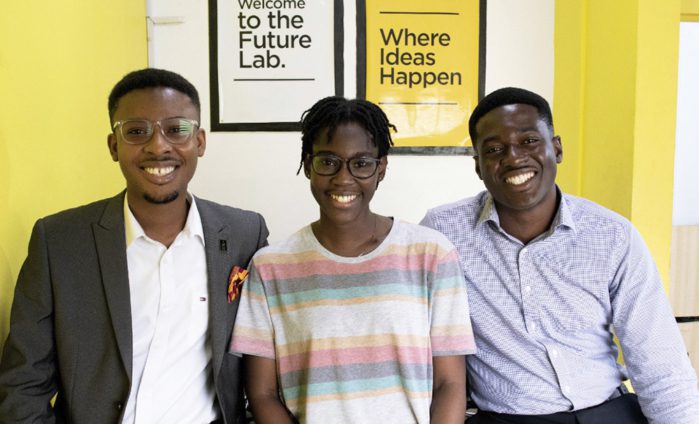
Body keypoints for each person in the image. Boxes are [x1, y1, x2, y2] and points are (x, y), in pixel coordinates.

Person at [0, 68, 269, 423]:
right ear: (114, 146)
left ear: (200, 141)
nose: (158, 146)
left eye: (176, 129)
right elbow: (23, 385)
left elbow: (265, 367)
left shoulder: (244, 234)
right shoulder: (60, 242)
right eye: (137, 131)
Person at [421, 87, 699, 423]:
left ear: (557, 148)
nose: (513, 158)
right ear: (478, 166)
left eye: (529, 141)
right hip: (509, 418)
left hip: (607, 411)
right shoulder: (444, 232)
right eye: (494, 149)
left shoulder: (612, 236)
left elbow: (661, 364)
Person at [229, 96, 476, 423]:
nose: (343, 178)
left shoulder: (432, 254)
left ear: (381, 168)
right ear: (308, 164)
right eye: (328, 161)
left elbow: (450, 384)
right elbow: (262, 393)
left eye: (361, 163)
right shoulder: (270, 267)